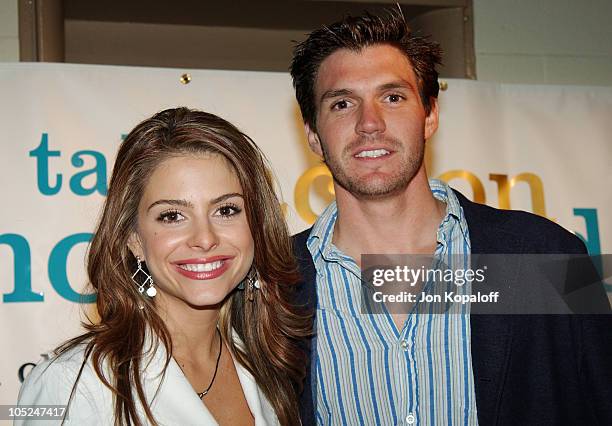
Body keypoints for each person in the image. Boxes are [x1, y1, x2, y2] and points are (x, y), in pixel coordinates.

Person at [289, 9, 612, 426]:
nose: (369, 123)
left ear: (430, 116)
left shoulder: (552, 255)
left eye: (393, 97)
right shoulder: (275, 285)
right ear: (313, 134)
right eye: (342, 103)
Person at [17, 107, 309, 425]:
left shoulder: (271, 363)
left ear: (257, 225)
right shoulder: (69, 384)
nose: (205, 238)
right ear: (133, 239)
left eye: (226, 210)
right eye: (171, 216)